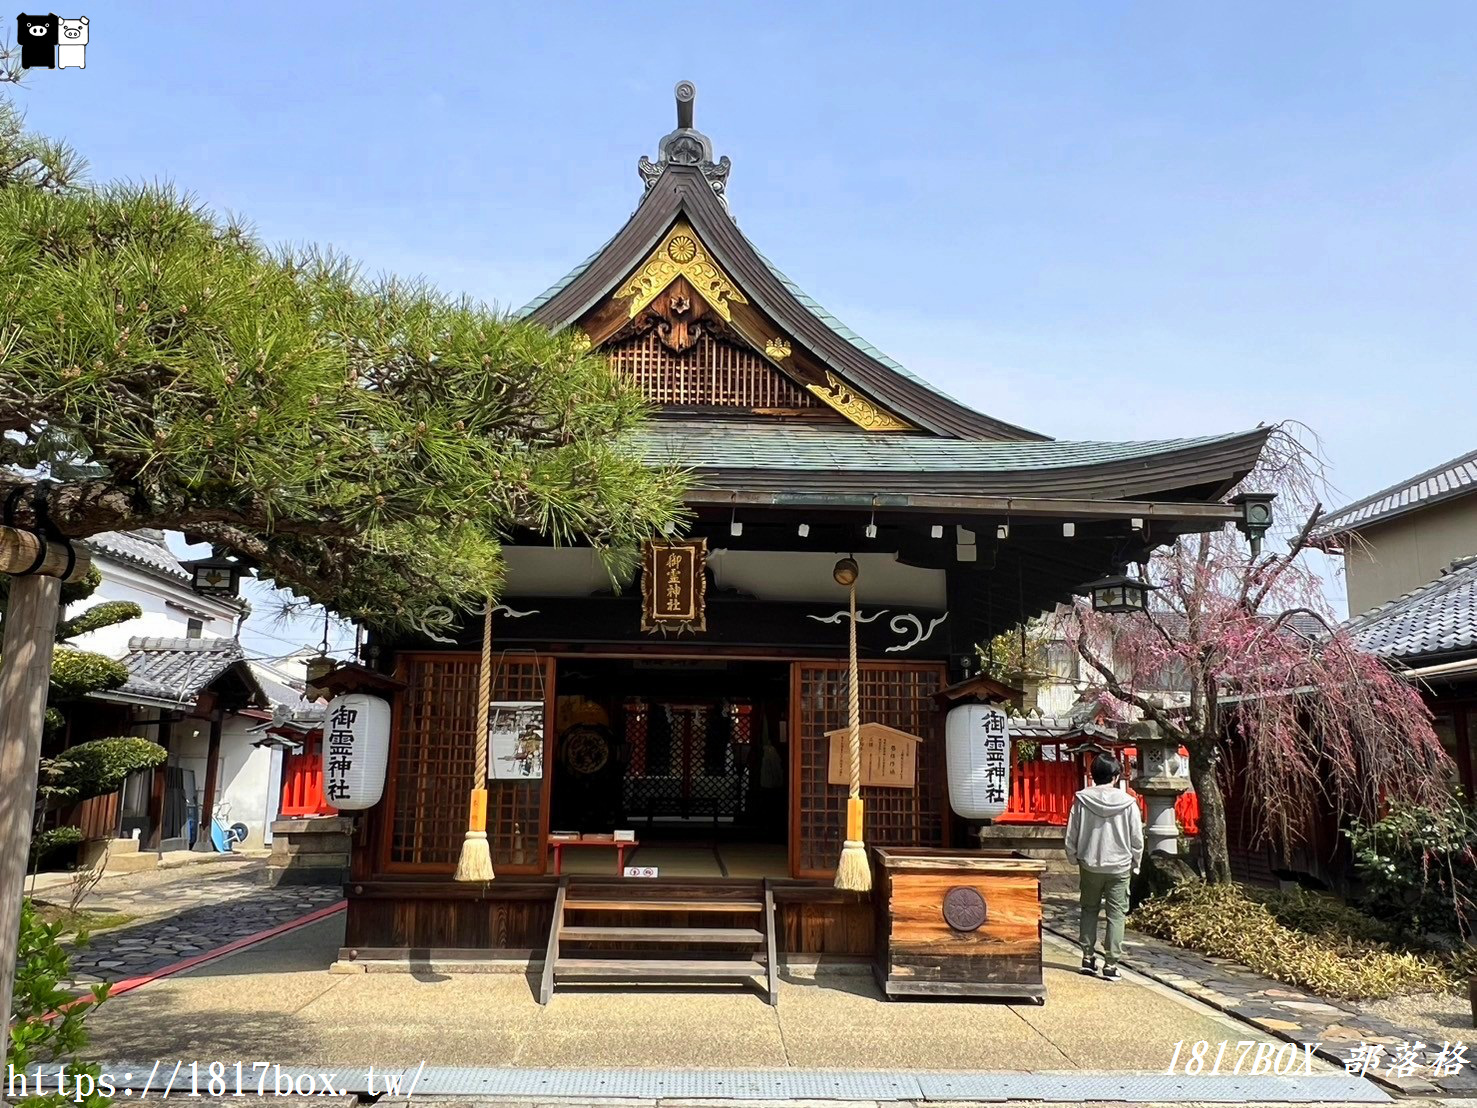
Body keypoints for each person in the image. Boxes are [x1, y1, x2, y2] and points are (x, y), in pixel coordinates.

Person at [1064, 753, 1144, 981]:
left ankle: (1088, 957)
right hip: (1119, 865)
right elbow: (1136, 839)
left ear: (1092, 775)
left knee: (1089, 910)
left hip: (1090, 863)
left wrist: (1073, 857)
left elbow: (1072, 833)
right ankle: (1111, 963)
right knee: (1116, 914)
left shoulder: (1081, 800)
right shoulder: (1128, 802)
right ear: (1116, 776)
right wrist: (1136, 863)